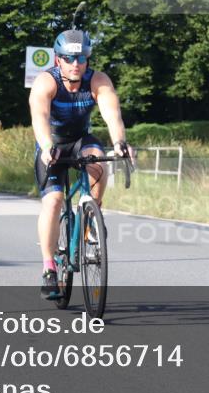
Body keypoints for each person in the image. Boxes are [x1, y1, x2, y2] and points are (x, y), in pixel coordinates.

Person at [29, 29, 133, 299]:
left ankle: (91, 218)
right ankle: (49, 268)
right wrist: (46, 145)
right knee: (53, 201)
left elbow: (112, 114)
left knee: (98, 163)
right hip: (51, 143)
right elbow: (39, 116)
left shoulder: (97, 80)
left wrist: (120, 142)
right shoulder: (45, 82)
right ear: (58, 59)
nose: (76, 64)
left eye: (82, 59)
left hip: (80, 139)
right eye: (69, 58)